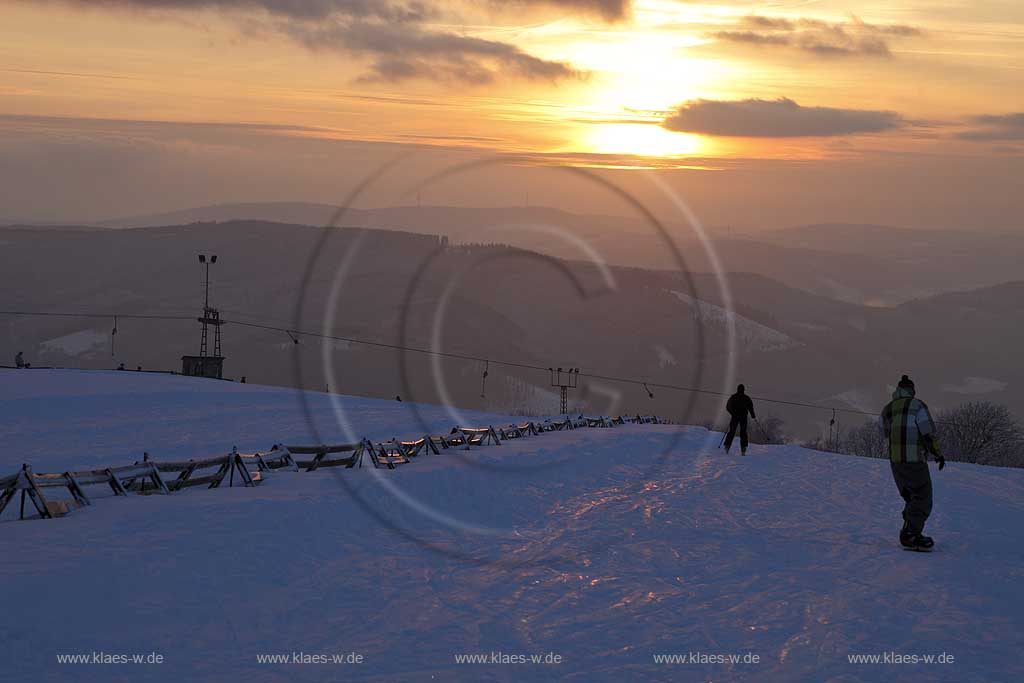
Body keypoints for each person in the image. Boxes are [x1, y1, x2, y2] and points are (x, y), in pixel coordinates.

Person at [879, 375, 945, 552]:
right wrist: (937, 453)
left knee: (910, 497)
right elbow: (928, 432)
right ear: (912, 390)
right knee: (923, 497)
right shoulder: (918, 406)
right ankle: (911, 534)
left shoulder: (888, 409)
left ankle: (908, 530)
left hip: (896, 462)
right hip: (914, 460)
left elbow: (884, 432)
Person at [724, 384, 756, 456]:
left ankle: (727, 446)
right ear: (743, 390)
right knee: (743, 432)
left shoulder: (733, 397)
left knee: (732, 432)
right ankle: (743, 449)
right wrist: (753, 415)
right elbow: (750, 407)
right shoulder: (746, 398)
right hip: (743, 417)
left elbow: (728, 407)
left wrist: (732, 413)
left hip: (735, 416)